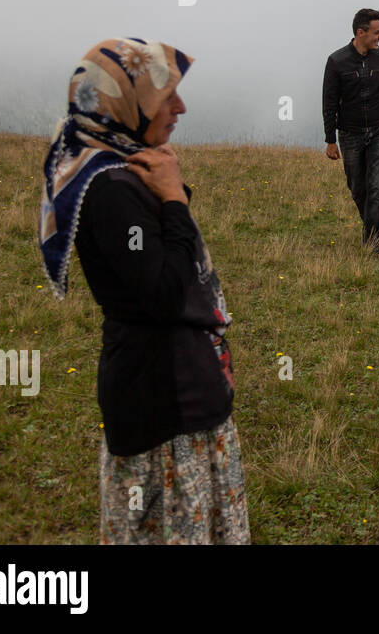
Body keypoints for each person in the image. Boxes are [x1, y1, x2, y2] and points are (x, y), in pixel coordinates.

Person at [39, 38, 248, 544]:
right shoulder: (111, 188)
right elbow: (165, 293)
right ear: (126, 108)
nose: (180, 107)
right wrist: (174, 200)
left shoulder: (123, 166)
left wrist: (171, 195)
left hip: (167, 390)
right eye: (164, 100)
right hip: (163, 402)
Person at [322, 8, 379, 255]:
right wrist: (330, 140)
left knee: (377, 188)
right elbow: (329, 103)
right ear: (360, 32)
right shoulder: (336, 61)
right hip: (349, 134)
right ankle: (371, 228)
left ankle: (373, 243)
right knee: (357, 188)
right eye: (377, 32)